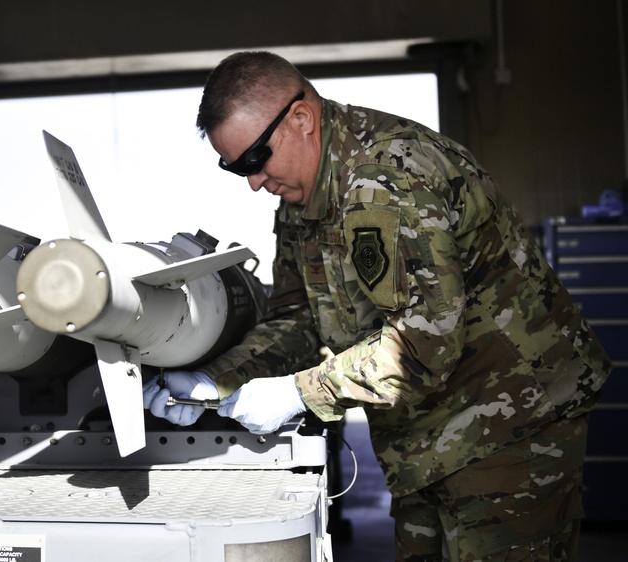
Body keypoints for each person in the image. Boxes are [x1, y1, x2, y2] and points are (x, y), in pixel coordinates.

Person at [142, 51, 611, 561]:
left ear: (301, 118)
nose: (254, 181)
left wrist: (300, 393)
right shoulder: (302, 201)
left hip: (512, 426)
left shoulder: (387, 179)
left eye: (256, 158)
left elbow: (424, 343)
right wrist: (221, 378)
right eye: (236, 169)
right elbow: (297, 317)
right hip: (424, 436)